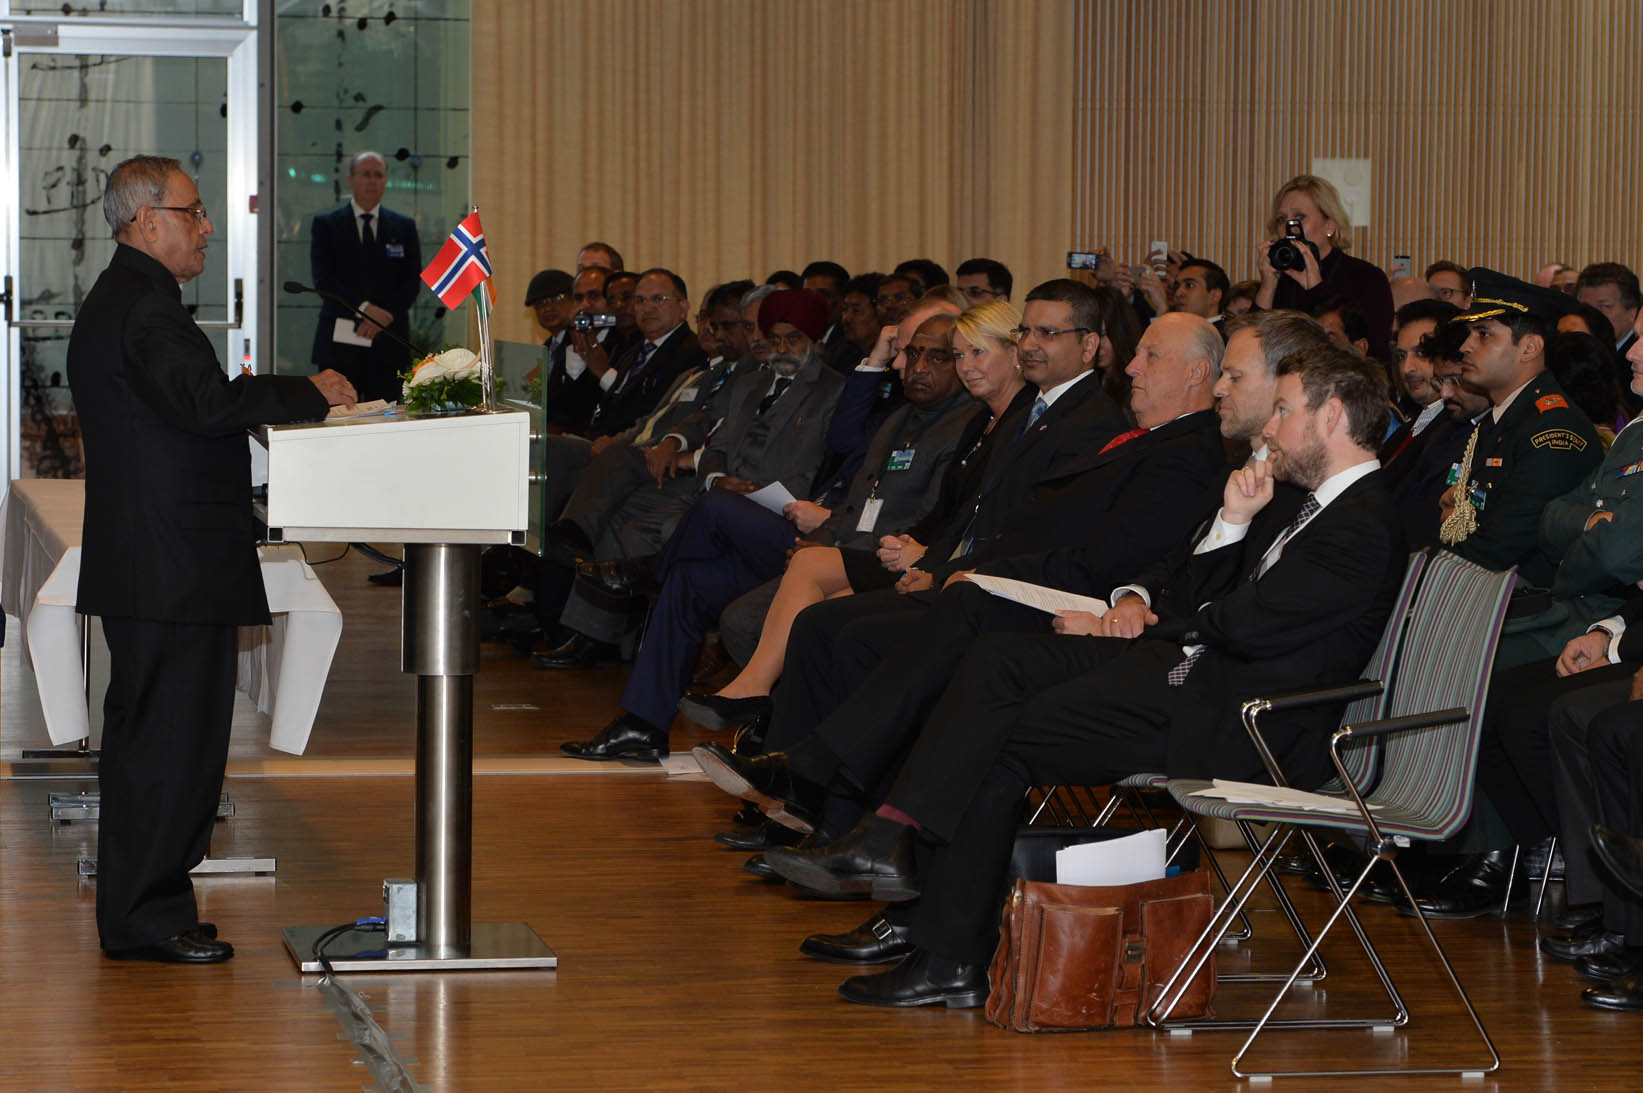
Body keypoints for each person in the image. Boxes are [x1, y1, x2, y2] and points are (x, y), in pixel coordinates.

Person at [744, 344, 1405, 1008]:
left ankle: (935, 933)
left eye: (1283, 411)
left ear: (1332, 415)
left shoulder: (1362, 522)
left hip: (1246, 722)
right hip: (1190, 676)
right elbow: (1199, 599)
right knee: (996, 660)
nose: (1268, 427)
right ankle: (896, 853)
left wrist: (1177, 613)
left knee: (992, 734)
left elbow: (1241, 624)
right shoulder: (1300, 501)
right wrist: (1232, 520)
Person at [71, 155, 355, 963]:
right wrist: (308, 390)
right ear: (145, 220)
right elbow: (205, 405)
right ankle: (143, 918)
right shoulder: (145, 309)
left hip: (157, 562)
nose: (206, 228)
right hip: (169, 564)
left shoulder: (131, 299)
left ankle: (153, 907)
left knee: (165, 741)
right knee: (168, 743)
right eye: (193, 212)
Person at [561, 312, 979, 761]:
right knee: (691, 580)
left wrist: (826, 538)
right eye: (912, 353)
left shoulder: (965, 427)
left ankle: (649, 571)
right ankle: (642, 724)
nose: (918, 368)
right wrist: (822, 532)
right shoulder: (899, 417)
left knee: (716, 508)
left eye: (937, 357)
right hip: (823, 543)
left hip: (869, 563)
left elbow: (928, 521)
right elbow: (857, 493)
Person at [689, 300, 1026, 714]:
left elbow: (968, 518)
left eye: (959, 355)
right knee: (779, 601)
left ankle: (765, 706)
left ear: (1014, 353)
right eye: (958, 354)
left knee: (819, 606)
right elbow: (859, 460)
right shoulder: (965, 421)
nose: (962, 365)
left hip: (937, 564)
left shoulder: (985, 422)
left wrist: (928, 560)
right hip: (892, 548)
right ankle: (770, 709)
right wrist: (829, 537)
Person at [1437, 268, 1603, 589]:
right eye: (1470, 334)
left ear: (1529, 348)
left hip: (1527, 608)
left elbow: (1499, 549)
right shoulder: (1501, 419)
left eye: (1483, 334)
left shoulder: (1554, 432)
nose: (1466, 347)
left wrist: (1421, 565)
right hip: (1482, 592)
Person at [307, 151, 421, 404]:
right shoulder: (326, 225)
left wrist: (384, 314)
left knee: (388, 422)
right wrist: (364, 308)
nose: (372, 181)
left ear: (386, 181)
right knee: (340, 422)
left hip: (389, 343)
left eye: (378, 175)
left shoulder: (404, 227)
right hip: (340, 346)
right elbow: (324, 280)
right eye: (365, 174)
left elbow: (411, 282)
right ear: (350, 179)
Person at [1254, 173, 1394, 361]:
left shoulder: (1366, 278)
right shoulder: (1280, 280)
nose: (1290, 227)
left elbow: (1371, 354)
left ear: (1330, 225)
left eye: (1300, 217)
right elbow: (1250, 350)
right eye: (1281, 219)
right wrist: (1267, 285)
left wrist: (1316, 289)